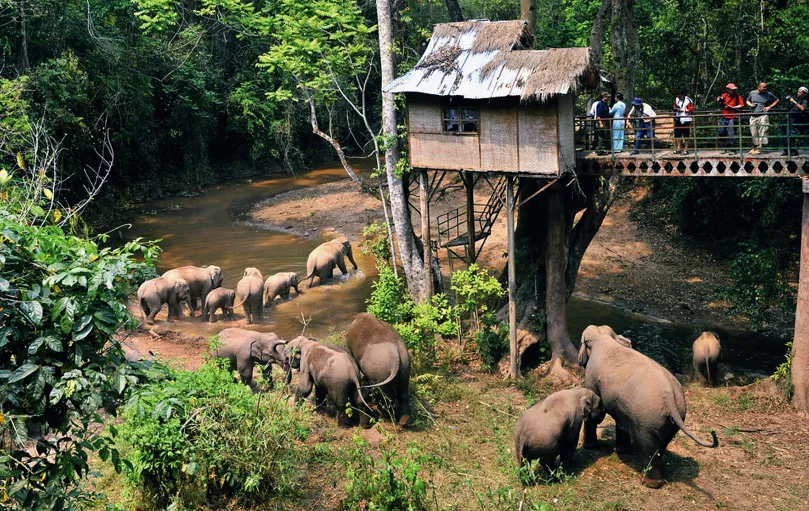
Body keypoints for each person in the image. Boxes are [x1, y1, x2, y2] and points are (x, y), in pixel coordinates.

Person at [746, 82, 779, 155]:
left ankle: (760, 148)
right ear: (759, 87)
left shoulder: (768, 94)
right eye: (763, 87)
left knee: (763, 131)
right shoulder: (752, 93)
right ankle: (755, 147)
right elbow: (747, 101)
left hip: (763, 115)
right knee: (753, 132)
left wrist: (769, 107)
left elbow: (777, 100)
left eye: (765, 87)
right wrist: (751, 104)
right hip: (753, 115)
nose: (765, 89)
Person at [716, 83, 744, 154]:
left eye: (734, 90)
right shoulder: (724, 95)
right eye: (732, 90)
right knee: (721, 132)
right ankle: (723, 148)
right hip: (723, 116)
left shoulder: (737, 96)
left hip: (732, 117)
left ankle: (732, 150)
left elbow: (741, 105)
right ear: (728, 90)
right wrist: (719, 101)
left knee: (731, 133)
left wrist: (732, 107)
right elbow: (721, 105)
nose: (734, 91)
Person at [782, 86, 809, 156]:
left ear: (804, 94)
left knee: (791, 134)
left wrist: (793, 101)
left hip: (795, 120)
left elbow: (802, 108)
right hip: (789, 118)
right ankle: (786, 150)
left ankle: (793, 151)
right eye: (798, 91)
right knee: (784, 134)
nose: (798, 93)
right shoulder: (798, 99)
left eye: (800, 92)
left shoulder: (805, 100)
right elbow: (789, 108)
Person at [673, 89, 695, 155]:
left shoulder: (688, 100)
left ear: (683, 95)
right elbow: (674, 107)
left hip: (686, 119)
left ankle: (686, 149)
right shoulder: (677, 99)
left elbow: (691, 110)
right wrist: (676, 109)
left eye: (679, 96)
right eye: (677, 96)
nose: (678, 97)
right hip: (679, 118)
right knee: (677, 134)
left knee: (686, 134)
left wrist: (682, 110)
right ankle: (678, 148)